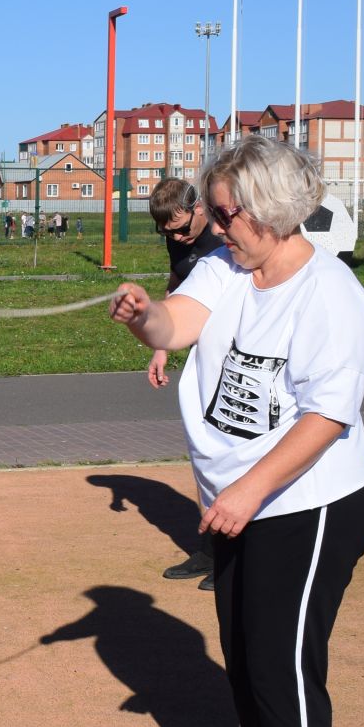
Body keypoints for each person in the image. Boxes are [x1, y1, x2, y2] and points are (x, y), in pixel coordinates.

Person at [109, 135, 364, 727]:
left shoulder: (332, 297)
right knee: (246, 654)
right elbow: (176, 326)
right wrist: (143, 317)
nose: (214, 225)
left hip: (311, 504)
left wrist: (250, 490)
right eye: (213, 212)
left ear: (269, 211)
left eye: (225, 213)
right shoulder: (229, 269)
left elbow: (326, 418)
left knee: (283, 663)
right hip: (244, 505)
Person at [142, 178, 228, 589]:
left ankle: (235, 558)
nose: (176, 237)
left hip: (239, 352)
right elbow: (177, 284)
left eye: (180, 229)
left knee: (232, 451)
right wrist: (162, 347)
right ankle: (210, 551)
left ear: (199, 209)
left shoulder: (229, 231)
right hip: (201, 348)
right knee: (204, 449)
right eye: (166, 233)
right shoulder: (176, 234)